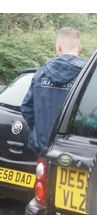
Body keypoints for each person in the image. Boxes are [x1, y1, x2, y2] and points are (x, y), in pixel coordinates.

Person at [21, 27, 86, 155]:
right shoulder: (88, 74)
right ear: (79, 48)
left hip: (42, 146)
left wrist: (39, 131)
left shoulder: (41, 73)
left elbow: (26, 107)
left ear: (58, 46)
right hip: (75, 149)